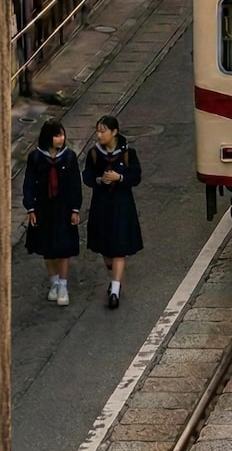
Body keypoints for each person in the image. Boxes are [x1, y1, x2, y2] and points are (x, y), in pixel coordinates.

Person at [83, 115, 143, 309]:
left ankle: (115, 290)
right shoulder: (94, 154)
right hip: (101, 204)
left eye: (103, 131)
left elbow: (136, 176)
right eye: (98, 131)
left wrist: (120, 177)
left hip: (121, 204)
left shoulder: (127, 153)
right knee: (105, 249)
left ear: (114, 132)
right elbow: (87, 176)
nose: (99, 135)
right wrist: (100, 180)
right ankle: (113, 276)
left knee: (119, 247)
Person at [23, 119, 82, 307]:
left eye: (62, 135)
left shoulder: (69, 157)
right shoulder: (36, 158)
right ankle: (54, 282)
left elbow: (75, 185)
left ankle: (64, 285)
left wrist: (75, 209)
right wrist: (30, 208)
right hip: (43, 208)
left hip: (63, 208)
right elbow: (28, 184)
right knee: (47, 249)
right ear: (48, 137)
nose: (61, 139)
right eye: (57, 135)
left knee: (64, 248)